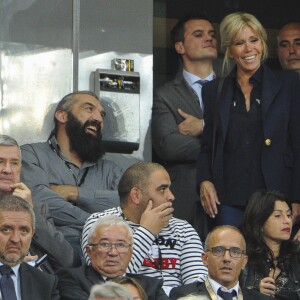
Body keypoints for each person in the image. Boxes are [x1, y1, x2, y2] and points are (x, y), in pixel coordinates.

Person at [197, 12, 300, 228]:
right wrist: (205, 180)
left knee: (271, 259)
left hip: (276, 197)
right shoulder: (214, 91)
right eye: (239, 43)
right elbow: (207, 145)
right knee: (231, 257)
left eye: (254, 40)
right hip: (228, 199)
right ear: (229, 49)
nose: (248, 49)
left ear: (262, 43)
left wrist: (297, 197)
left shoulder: (289, 84)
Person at [20, 91, 124, 258]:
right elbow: (37, 201)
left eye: (102, 114)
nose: (98, 118)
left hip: (106, 259)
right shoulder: (31, 154)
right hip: (49, 259)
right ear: (62, 116)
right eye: (89, 109)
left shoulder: (111, 170)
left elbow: (129, 205)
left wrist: (75, 193)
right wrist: (101, 223)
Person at [82, 162, 207, 295]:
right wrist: (147, 231)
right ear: (136, 195)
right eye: (162, 189)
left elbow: (198, 284)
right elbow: (109, 280)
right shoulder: (99, 224)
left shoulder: (182, 228)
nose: (171, 196)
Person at [152, 13, 218, 239]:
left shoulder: (232, 89)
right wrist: (223, 145)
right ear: (180, 46)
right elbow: (168, 145)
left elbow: (250, 141)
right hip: (184, 198)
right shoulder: (165, 93)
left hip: (229, 197)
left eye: (211, 34)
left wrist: (203, 125)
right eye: (199, 34)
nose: (209, 38)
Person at [0, 134, 75, 272]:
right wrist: (6, 264)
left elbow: (67, 259)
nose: (7, 170)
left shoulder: (37, 208)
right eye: (1, 162)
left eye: (14, 163)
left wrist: (31, 211)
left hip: (42, 287)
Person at [57, 215, 168, 300]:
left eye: (121, 245)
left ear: (131, 252)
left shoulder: (152, 286)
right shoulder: (71, 278)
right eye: (104, 244)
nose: (113, 252)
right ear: (89, 251)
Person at [169, 225, 271, 300]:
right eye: (218, 250)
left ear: (244, 261)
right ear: (205, 258)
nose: (227, 258)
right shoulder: (184, 295)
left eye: (235, 252)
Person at [240, 190, 300, 299]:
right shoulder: (242, 259)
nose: (287, 221)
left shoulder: (296, 256)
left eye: (288, 215)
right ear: (259, 223)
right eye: (278, 215)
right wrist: (254, 293)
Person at [0, 194, 60, 299]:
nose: (15, 239)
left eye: (24, 231)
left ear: (32, 234)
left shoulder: (45, 283)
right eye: (6, 229)